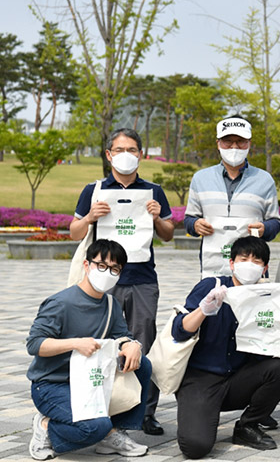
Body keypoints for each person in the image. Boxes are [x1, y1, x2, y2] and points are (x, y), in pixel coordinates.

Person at [70, 127, 174, 436]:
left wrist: (157, 218)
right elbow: (74, 232)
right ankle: (102, 406)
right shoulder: (95, 190)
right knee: (100, 342)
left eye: (131, 150)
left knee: (142, 343)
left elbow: (168, 235)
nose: (125, 155)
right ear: (108, 154)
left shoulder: (153, 191)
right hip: (102, 281)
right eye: (119, 150)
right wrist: (90, 217)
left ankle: (145, 412)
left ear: (141, 155)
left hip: (142, 280)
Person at [171, 236, 280, 459]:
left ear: (264, 269)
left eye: (257, 261)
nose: (250, 265)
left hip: (237, 379)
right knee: (195, 447)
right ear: (232, 263)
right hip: (201, 379)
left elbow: (266, 351)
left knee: (279, 370)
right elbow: (179, 331)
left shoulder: (265, 297)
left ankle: (247, 425)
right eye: (244, 259)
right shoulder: (211, 286)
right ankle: (199, 411)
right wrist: (203, 310)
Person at [26, 240, 152, 460]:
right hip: (52, 385)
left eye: (114, 269)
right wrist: (75, 343)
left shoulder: (111, 304)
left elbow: (123, 335)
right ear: (86, 265)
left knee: (142, 364)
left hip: (90, 379)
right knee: (95, 427)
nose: (107, 273)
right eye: (101, 265)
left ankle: (114, 434)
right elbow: (34, 344)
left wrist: (132, 345)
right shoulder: (60, 303)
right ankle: (46, 426)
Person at [184, 115, 280, 272]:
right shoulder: (200, 178)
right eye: (228, 141)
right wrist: (195, 225)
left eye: (240, 141)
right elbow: (189, 219)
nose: (234, 147)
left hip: (253, 267)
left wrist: (265, 228)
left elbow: (275, 222)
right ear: (218, 144)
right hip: (212, 266)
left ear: (249, 144)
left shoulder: (264, 179)